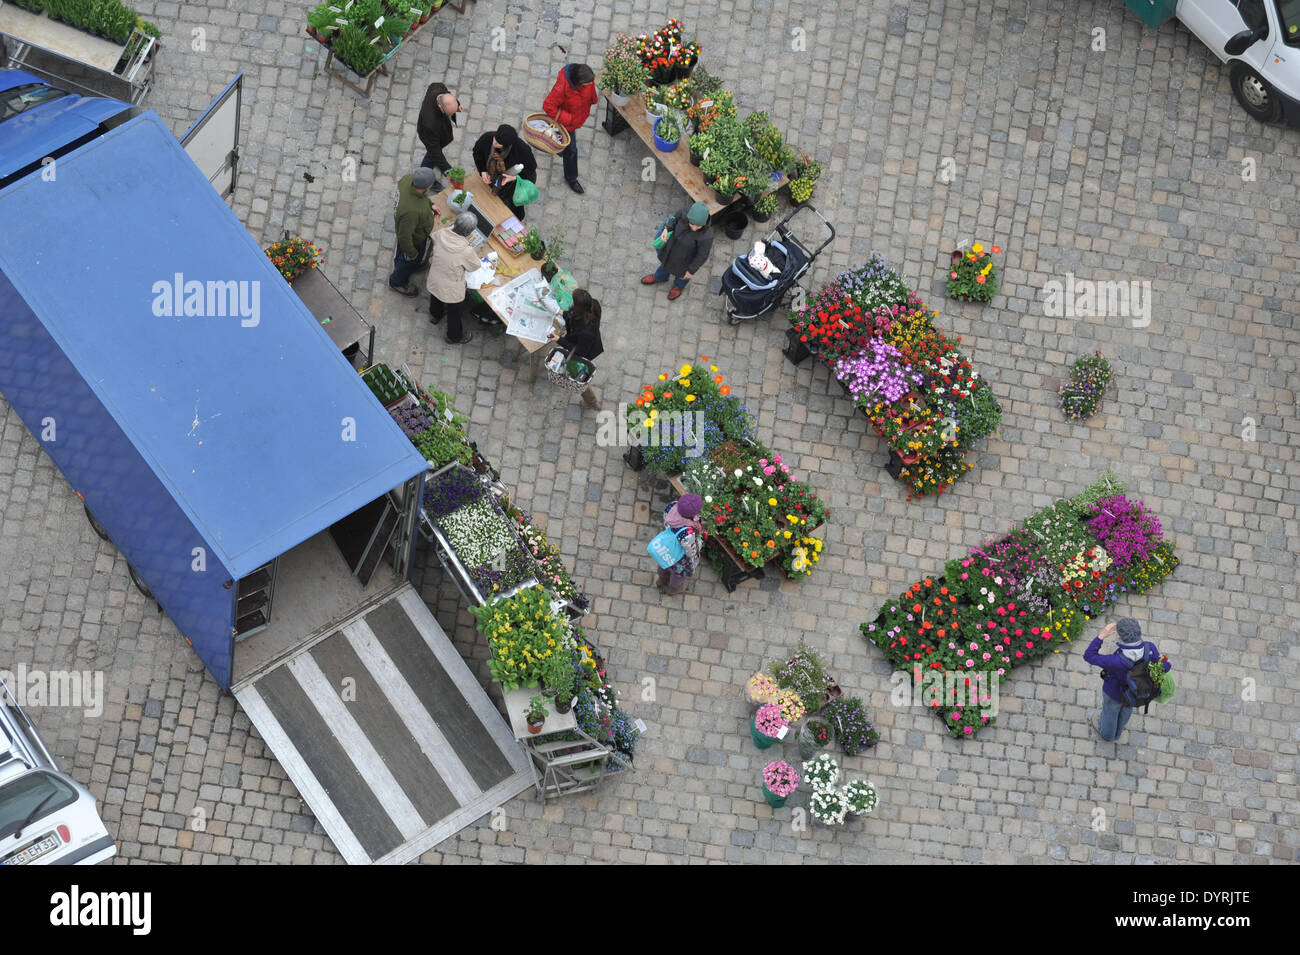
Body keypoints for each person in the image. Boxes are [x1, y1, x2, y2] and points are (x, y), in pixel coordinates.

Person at [1083, 618, 1172, 742]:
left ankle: (1108, 735)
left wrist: (1100, 637)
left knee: (1110, 712)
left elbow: (1089, 656)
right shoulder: (1149, 648)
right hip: (1136, 691)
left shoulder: (1116, 661)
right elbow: (1165, 667)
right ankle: (1118, 732)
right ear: (1139, 633)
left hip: (1114, 692)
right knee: (1127, 710)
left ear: (1120, 636)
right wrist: (1167, 663)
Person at [425, 212, 483, 345]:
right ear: (469, 232)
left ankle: (435, 315)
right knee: (454, 312)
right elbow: (475, 266)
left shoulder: (441, 233)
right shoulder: (466, 251)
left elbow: (434, 238)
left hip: (435, 277)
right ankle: (454, 336)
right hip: (452, 288)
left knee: (435, 296)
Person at [542, 64, 598, 194]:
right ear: (579, 83)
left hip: (578, 116)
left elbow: (591, 90)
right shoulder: (561, 88)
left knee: (565, 145)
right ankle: (571, 178)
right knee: (572, 150)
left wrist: (593, 99)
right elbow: (548, 106)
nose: (591, 84)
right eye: (588, 83)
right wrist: (569, 119)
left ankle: (559, 148)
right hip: (567, 123)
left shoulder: (586, 79)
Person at [642, 202, 713, 301]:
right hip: (670, 251)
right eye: (692, 223)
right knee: (664, 265)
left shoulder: (707, 236)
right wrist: (667, 229)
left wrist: (691, 271)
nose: (694, 228)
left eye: (699, 226)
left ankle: (678, 287)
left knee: (682, 276)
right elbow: (673, 220)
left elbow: (702, 255)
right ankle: (659, 277)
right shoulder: (683, 212)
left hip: (685, 261)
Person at [548, 288, 604, 410]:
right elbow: (574, 315)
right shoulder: (594, 304)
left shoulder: (586, 331)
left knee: (579, 377)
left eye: (574, 302)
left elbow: (578, 351)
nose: (572, 304)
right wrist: (563, 313)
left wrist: (559, 340)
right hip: (582, 341)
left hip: (585, 350)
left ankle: (592, 403)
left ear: (579, 307)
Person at [472, 123, 538, 221]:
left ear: (506, 146)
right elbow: (477, 153)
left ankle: (515, 220)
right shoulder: (487, 138)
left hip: (513, 183)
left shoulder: (523, 150)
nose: (494, 142)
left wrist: (515, 178)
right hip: (494, 177)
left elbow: (531, 169)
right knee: (490, 199)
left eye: (498, 143)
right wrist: (483, 170)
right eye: (495, 138)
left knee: (511, 206)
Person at [389, 167, 438, 296]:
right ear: (427, 186)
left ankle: (407, 263)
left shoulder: (408, 179)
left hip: (412, 228)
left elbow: (421, 198)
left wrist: (429, 205)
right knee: (407, 260)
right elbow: (404, 236)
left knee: (405, 257)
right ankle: (396, 282)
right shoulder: (412, 212)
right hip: (414, 240)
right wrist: (411, 253)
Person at [654, 493, 705, 596]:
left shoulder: (671, 507)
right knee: (678, 575)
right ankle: (674, 589)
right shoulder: (687, 533)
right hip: (678, 557)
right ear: (694, 514)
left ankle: (661, 580)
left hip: (666, 548)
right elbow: (691, 551)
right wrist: (700, 542)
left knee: (664, 565)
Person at [416, 82, 463, 178]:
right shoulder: (430, 123)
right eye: (449, 113)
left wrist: (457, 105)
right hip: (430, 136)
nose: (451, 115)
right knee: (432, 155)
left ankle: (435, 165)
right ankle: (425, 176)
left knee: (435, 155)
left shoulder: (437, 89)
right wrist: (447, 170)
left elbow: (439, 88)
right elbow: (434, 149)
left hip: (440, 129)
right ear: (440, 106)